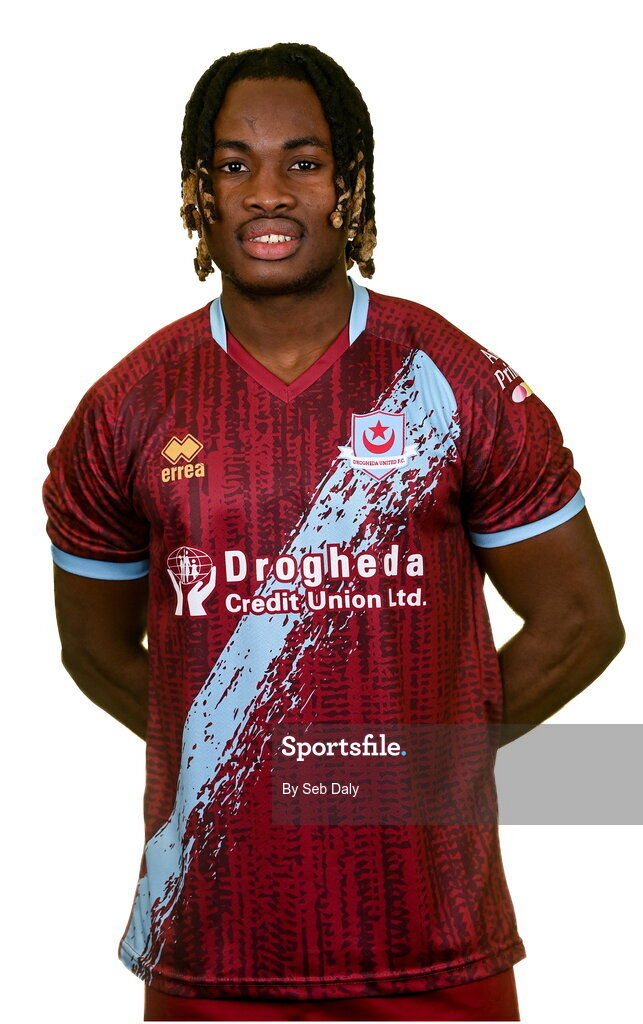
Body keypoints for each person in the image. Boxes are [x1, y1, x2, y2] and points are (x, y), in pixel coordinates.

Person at [42, 42, 625, 1023]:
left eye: (303, 162)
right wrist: (237, 755)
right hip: (213, 948)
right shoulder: (127, 407)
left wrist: (412, 767)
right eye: (234, 165)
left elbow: (578, 622)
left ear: (349, 187)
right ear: (198, 193)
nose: (268, 191)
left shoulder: (452, 380)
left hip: (434, 945)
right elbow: (92, 647)